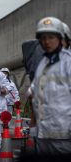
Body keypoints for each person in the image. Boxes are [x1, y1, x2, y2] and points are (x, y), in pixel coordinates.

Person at [30, 16, 71, 155]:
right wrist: (34, 126)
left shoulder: (68, 63)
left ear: (60, 38)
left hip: (64, 136)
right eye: (43, 38)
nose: (47, 42)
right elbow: (36, 97)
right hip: (43, 135)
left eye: (51, 37)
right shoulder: (42, 64)